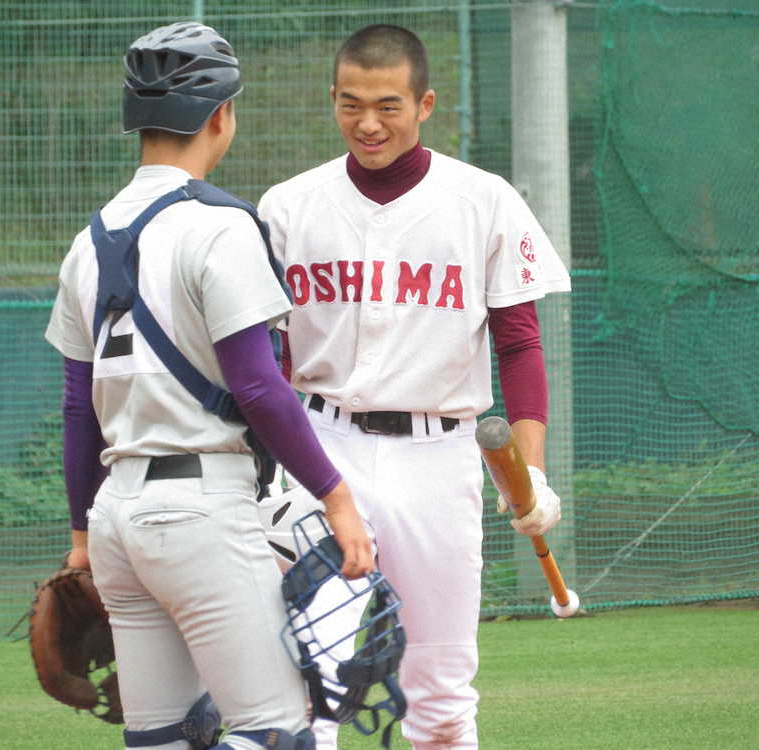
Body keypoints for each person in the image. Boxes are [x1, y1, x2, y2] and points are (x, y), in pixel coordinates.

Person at [44, 21, 373, 750]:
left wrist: (79, 539)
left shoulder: (86, 242)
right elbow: (258, 387)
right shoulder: (221, 226)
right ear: (221, 115)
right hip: (200, 513)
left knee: (159, 738)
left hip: (116, 521)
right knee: (276, 733)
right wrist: (336, 495)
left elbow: (77, 407)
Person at [257, 23, 570, 750]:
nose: (369, 122)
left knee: (441, 697)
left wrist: (533, 472)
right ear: (332, 99)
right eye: (351, 103)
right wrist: (270, 468)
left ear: (425, 103)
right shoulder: (287, 207)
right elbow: (267, 359)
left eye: (389, 105)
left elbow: (519, 344)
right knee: (305, 683)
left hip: (441, 455)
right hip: (319, 446)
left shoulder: (483, 200)